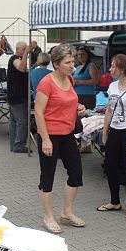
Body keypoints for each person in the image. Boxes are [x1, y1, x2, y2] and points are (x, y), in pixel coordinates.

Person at [34, 44, 86, 234]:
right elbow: (38, 112)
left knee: (76, 173)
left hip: (67, 134)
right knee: (47, 176)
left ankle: (66, 212)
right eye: (68, 62)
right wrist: (45, 139)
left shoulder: (69, 79)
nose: (73, 65)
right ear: (56, 64)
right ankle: (48, 217)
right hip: (50, 135)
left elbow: (66, 102)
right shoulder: (46, 83)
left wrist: (78, 107)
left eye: (73, 61)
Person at [97, 54, 126, 221]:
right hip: (114, 132)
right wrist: (105, 131)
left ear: (122, 69)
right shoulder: (112, 87)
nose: (110, 69)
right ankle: (114, 202)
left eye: (113, 66)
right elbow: (109, 110)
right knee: (110, 167)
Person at [7, 42, 30, 153]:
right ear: (19, 49)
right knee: (22, 122)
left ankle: (14, 145)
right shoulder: (14, 59)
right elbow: (22, 68)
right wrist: (26, 53)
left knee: (14, 122)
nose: (26, 51)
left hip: (15, 96)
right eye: (24, 49)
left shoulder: (18, 59)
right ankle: (19, 145)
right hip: (18, 97)